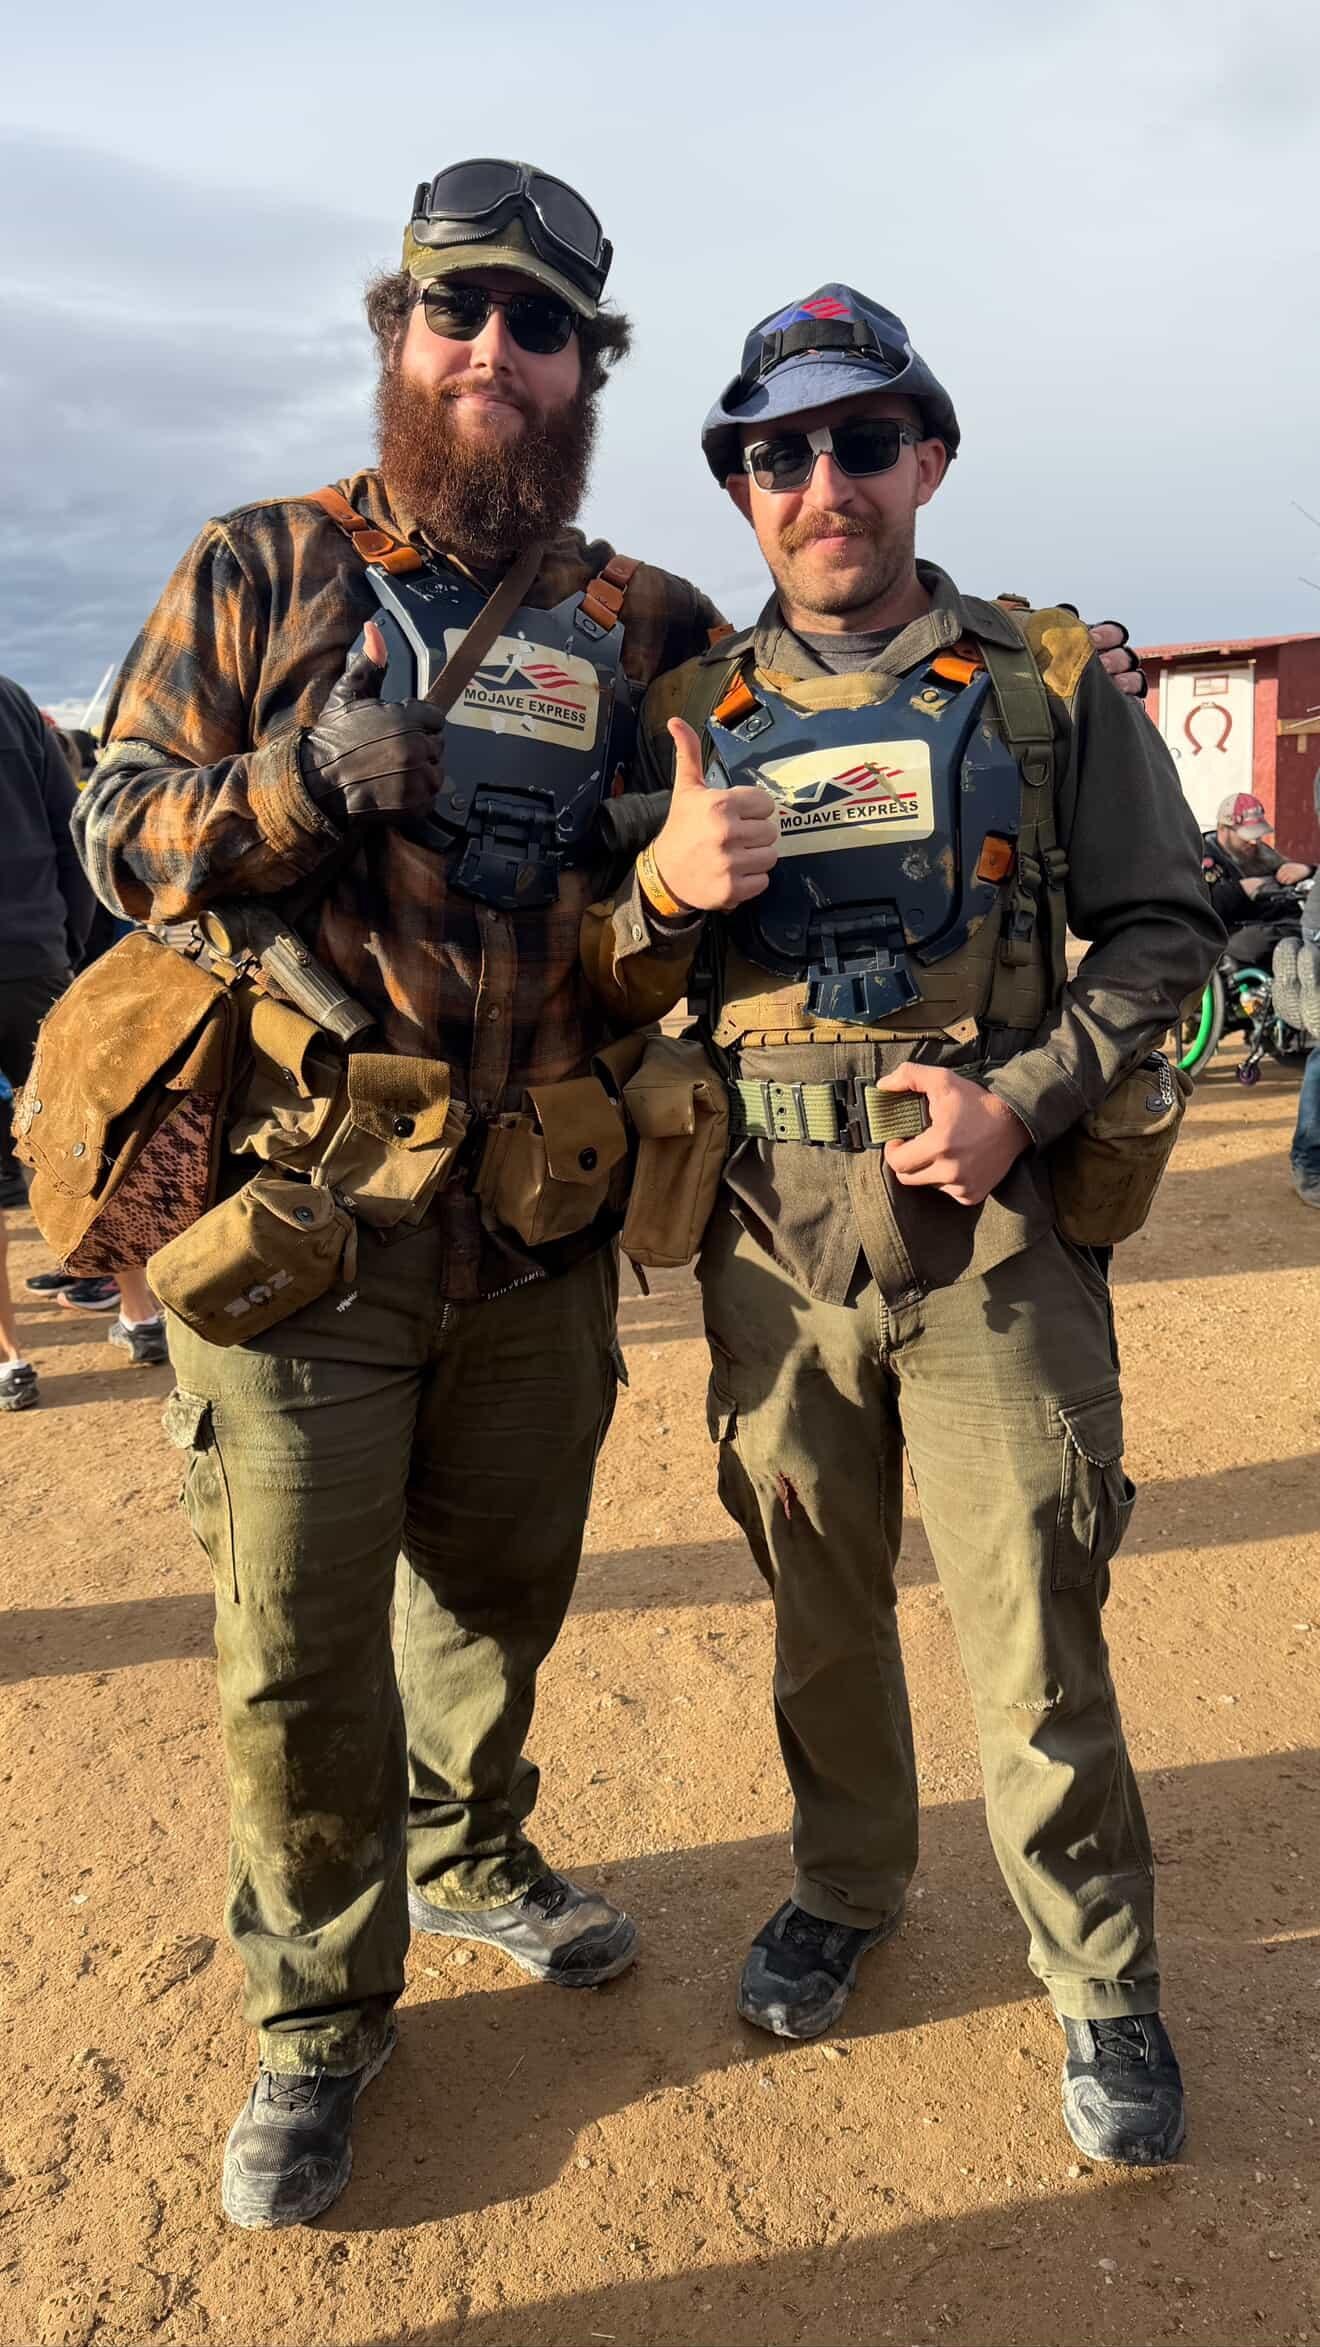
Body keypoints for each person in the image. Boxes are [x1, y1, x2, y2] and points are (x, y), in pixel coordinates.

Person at [72, 157, 732, 2232]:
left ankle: (468, 1848)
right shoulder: (258, 566)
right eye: (457, 308)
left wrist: (683, 883)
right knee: (292, 1647)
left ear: (583, 370)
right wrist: (298, 787)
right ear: (397, 334)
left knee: (499, 1587)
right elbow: (116, 830)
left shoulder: (645, 624)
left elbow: (730, 866)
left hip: (535, 1218)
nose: (491, 352)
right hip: (301, 1221)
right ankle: (316, 2019)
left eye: (538, 325)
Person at [591, 285, 1223, 2167]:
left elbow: (1173, 930)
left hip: (993, 1234)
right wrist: (654, 886)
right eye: (779, 452)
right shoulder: (691, 717)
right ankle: (848, 1888)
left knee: (1037, 1624)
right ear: (743, 491)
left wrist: (1023, 1097)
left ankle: (1100, 1979)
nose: (824, 480)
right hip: (770, 1241)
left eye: (864, 440)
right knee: (814, 1605)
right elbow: (609, 984)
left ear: (926, 458)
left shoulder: (1040, 687)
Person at [0, 674, 94, 1213]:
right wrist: (66, 946)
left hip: (37, 951)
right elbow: (71, 832)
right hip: (34, 955)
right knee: (68, 1143)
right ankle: (121, 1289)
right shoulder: (13, 701)